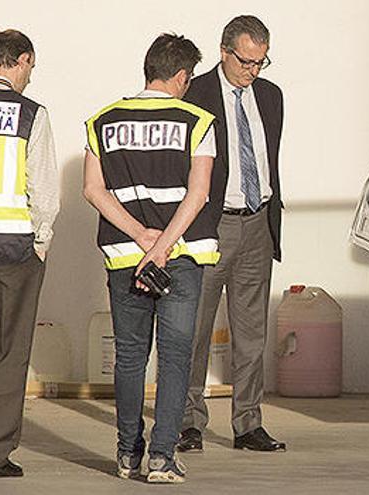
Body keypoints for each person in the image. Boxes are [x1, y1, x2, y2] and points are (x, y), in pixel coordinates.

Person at [83, 33, 218, 483]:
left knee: (129, 357)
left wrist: (140, 236)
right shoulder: (197, 121)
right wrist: (160, 246)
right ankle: (161, 458)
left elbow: (92, 190)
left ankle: (126, 454)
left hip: (125, 255)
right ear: (181, 76)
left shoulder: (102, 120)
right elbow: (198, 195)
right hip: (179, 255)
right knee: (176, 357)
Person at [178, 15, 285, 453]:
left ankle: (248, 424)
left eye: (261, 62)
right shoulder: (196, 93)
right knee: (195, 328)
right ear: (224, 52)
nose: (253, 70)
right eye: (245, 61)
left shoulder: (271, 96)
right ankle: (187, 423)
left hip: (259, 221)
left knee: (252, 332)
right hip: (211, 224)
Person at [0, 29, 59, 479]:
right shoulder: (29, 113)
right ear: (22, 59)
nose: (30, 76)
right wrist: (41, 241)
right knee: (9, 351)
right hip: (12, 248)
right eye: (30, 67)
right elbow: (45, 190)